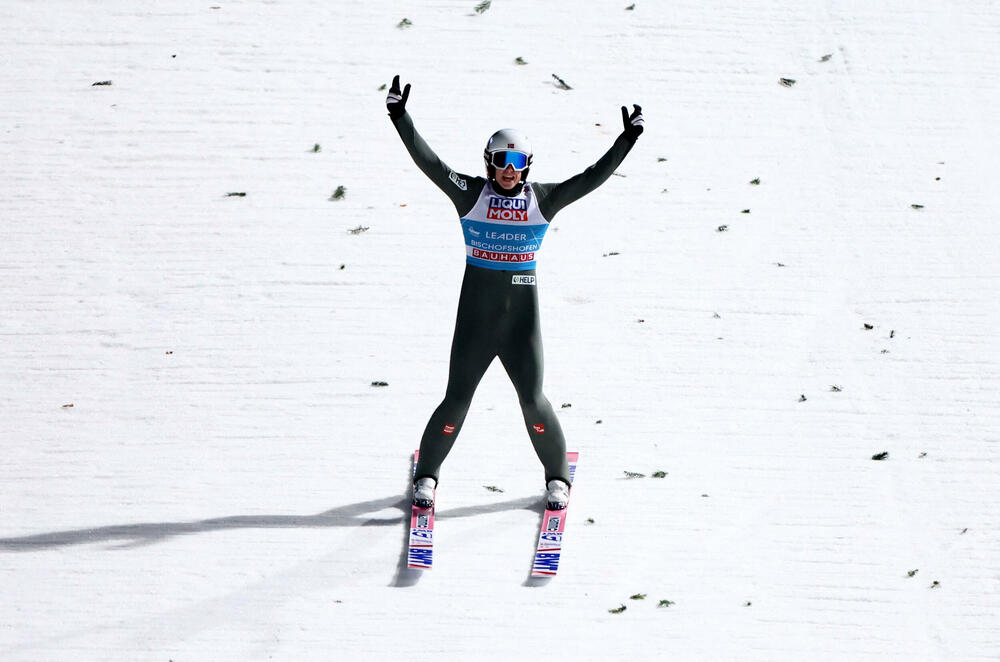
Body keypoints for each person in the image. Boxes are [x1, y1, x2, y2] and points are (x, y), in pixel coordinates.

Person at [386, 75, 643, 510]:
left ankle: (557, 479)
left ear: (527, 165)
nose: (509, 169)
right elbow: (430, 163)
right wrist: (400, 117)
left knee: (532, 399)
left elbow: (592, 177)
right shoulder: (469, 193)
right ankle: (427, 476)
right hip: (476, 321)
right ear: (489, 162)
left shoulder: (542, 199)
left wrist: (627, 140)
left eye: (517, 161)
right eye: (502, 160)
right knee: (457, 399)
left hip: (521, 324)